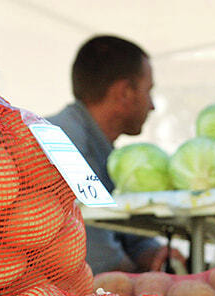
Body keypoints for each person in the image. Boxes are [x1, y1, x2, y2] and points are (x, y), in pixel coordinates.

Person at [48, 35, 184, 275]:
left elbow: (119, 230)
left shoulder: (100, 149)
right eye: (148, 90)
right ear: (124, 92)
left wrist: (151, 253)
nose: (152, 105)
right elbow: (95, 256)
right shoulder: (62, 143)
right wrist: (148, 281)